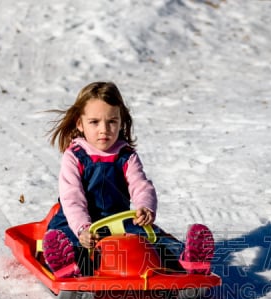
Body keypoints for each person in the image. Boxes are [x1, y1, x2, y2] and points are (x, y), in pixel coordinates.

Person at [42, 81, 214, 277]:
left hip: (118, 220)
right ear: (80, 124)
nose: (104, 129)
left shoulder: (126, 156)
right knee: (69, 240)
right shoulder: (74, 156)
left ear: (121, 121)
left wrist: (145, 207)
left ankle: (188, 260)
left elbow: (141, 185)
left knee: (153, 238)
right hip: (77, 222)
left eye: (112, 121)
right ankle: (66, 264)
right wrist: (82, 228)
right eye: (94, 122)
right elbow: (72, 197)